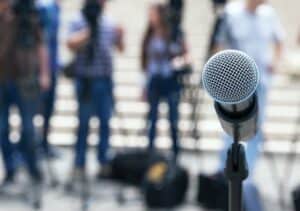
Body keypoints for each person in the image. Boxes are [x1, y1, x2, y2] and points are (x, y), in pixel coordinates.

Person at [212, 0, 284, 210]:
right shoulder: (231, 12)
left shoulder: (269, 15)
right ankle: (225, 173)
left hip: (261, 82)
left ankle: (248, 175)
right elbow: (218, 43)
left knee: (255, 130)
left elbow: (280, 40)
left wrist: (275, 63)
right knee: (230, 127)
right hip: (236, 83)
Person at [67, 0, 124, 179]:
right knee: (83, 124)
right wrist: (89, 31)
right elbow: (70, 44)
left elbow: (120, 48)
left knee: (105, 122)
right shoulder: (78, 20)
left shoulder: (109, 22)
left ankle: (103, 162)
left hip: (104, 80)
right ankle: (79, 163)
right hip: (85, 80)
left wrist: (121, 37)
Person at [0, 0, 50, 186]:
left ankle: (32, 166)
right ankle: (10, 169)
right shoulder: (4, 18)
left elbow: (40, 44)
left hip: (26, 80)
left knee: (29, 128)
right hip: (3, 80)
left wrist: (44, 73)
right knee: (2, 128)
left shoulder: (30, 17)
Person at [141, 3, 190, 161]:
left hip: (170, 80)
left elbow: (187, 55)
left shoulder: (175, 33)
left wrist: (179, 62)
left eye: (153, 14)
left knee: (173, 120)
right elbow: (145, 61)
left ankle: (176, 155)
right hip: (154, 80)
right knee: (152, 119)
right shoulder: (150, 34)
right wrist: (143, 84)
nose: (150, 17)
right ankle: (149, 154)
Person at [37, 0, 60, 157]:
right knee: (39, 109)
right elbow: (42, 40)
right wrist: (44, 71)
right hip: (41, 68)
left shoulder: (55, 8)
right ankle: (37, 145)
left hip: (50, 66)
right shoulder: (45, 7)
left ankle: (43, 143)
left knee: (48, 109)